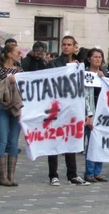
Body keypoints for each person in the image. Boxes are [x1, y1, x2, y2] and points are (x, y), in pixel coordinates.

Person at [46, 36, 91, 186]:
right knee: (54, 141)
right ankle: (53, 174)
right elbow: (52, 81)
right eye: (64, 45)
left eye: (69, 45)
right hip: (56, 107)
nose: (66, 47)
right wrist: (68, 68)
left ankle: (72, 174)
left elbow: (81, 89)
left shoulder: (79, 65)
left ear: (74, 47)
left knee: (70, 140)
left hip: (71, 108)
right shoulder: (54, 63)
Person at [0, 43, 24, 186]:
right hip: (3, 108)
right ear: (10, 54)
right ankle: (2, 176)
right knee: (2, 140)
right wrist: (8, 80)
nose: (20, 55)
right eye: (17, 52)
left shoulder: (20, 70)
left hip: (16, 108)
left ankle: (11, 175)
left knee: (13, 141)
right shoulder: (0, 69)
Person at [83, 48, 109, 183]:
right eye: (95, 57)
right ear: (89, 59)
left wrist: (104, 78)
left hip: (103, 112)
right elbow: (85, 96)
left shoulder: (106, 73)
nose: (98, 59)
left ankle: (98, 171)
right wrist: (88, 114)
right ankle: (89, 172)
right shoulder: (84, 74)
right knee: (91, 142)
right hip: (90, 112)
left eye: (100, 57)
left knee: (101, 143)